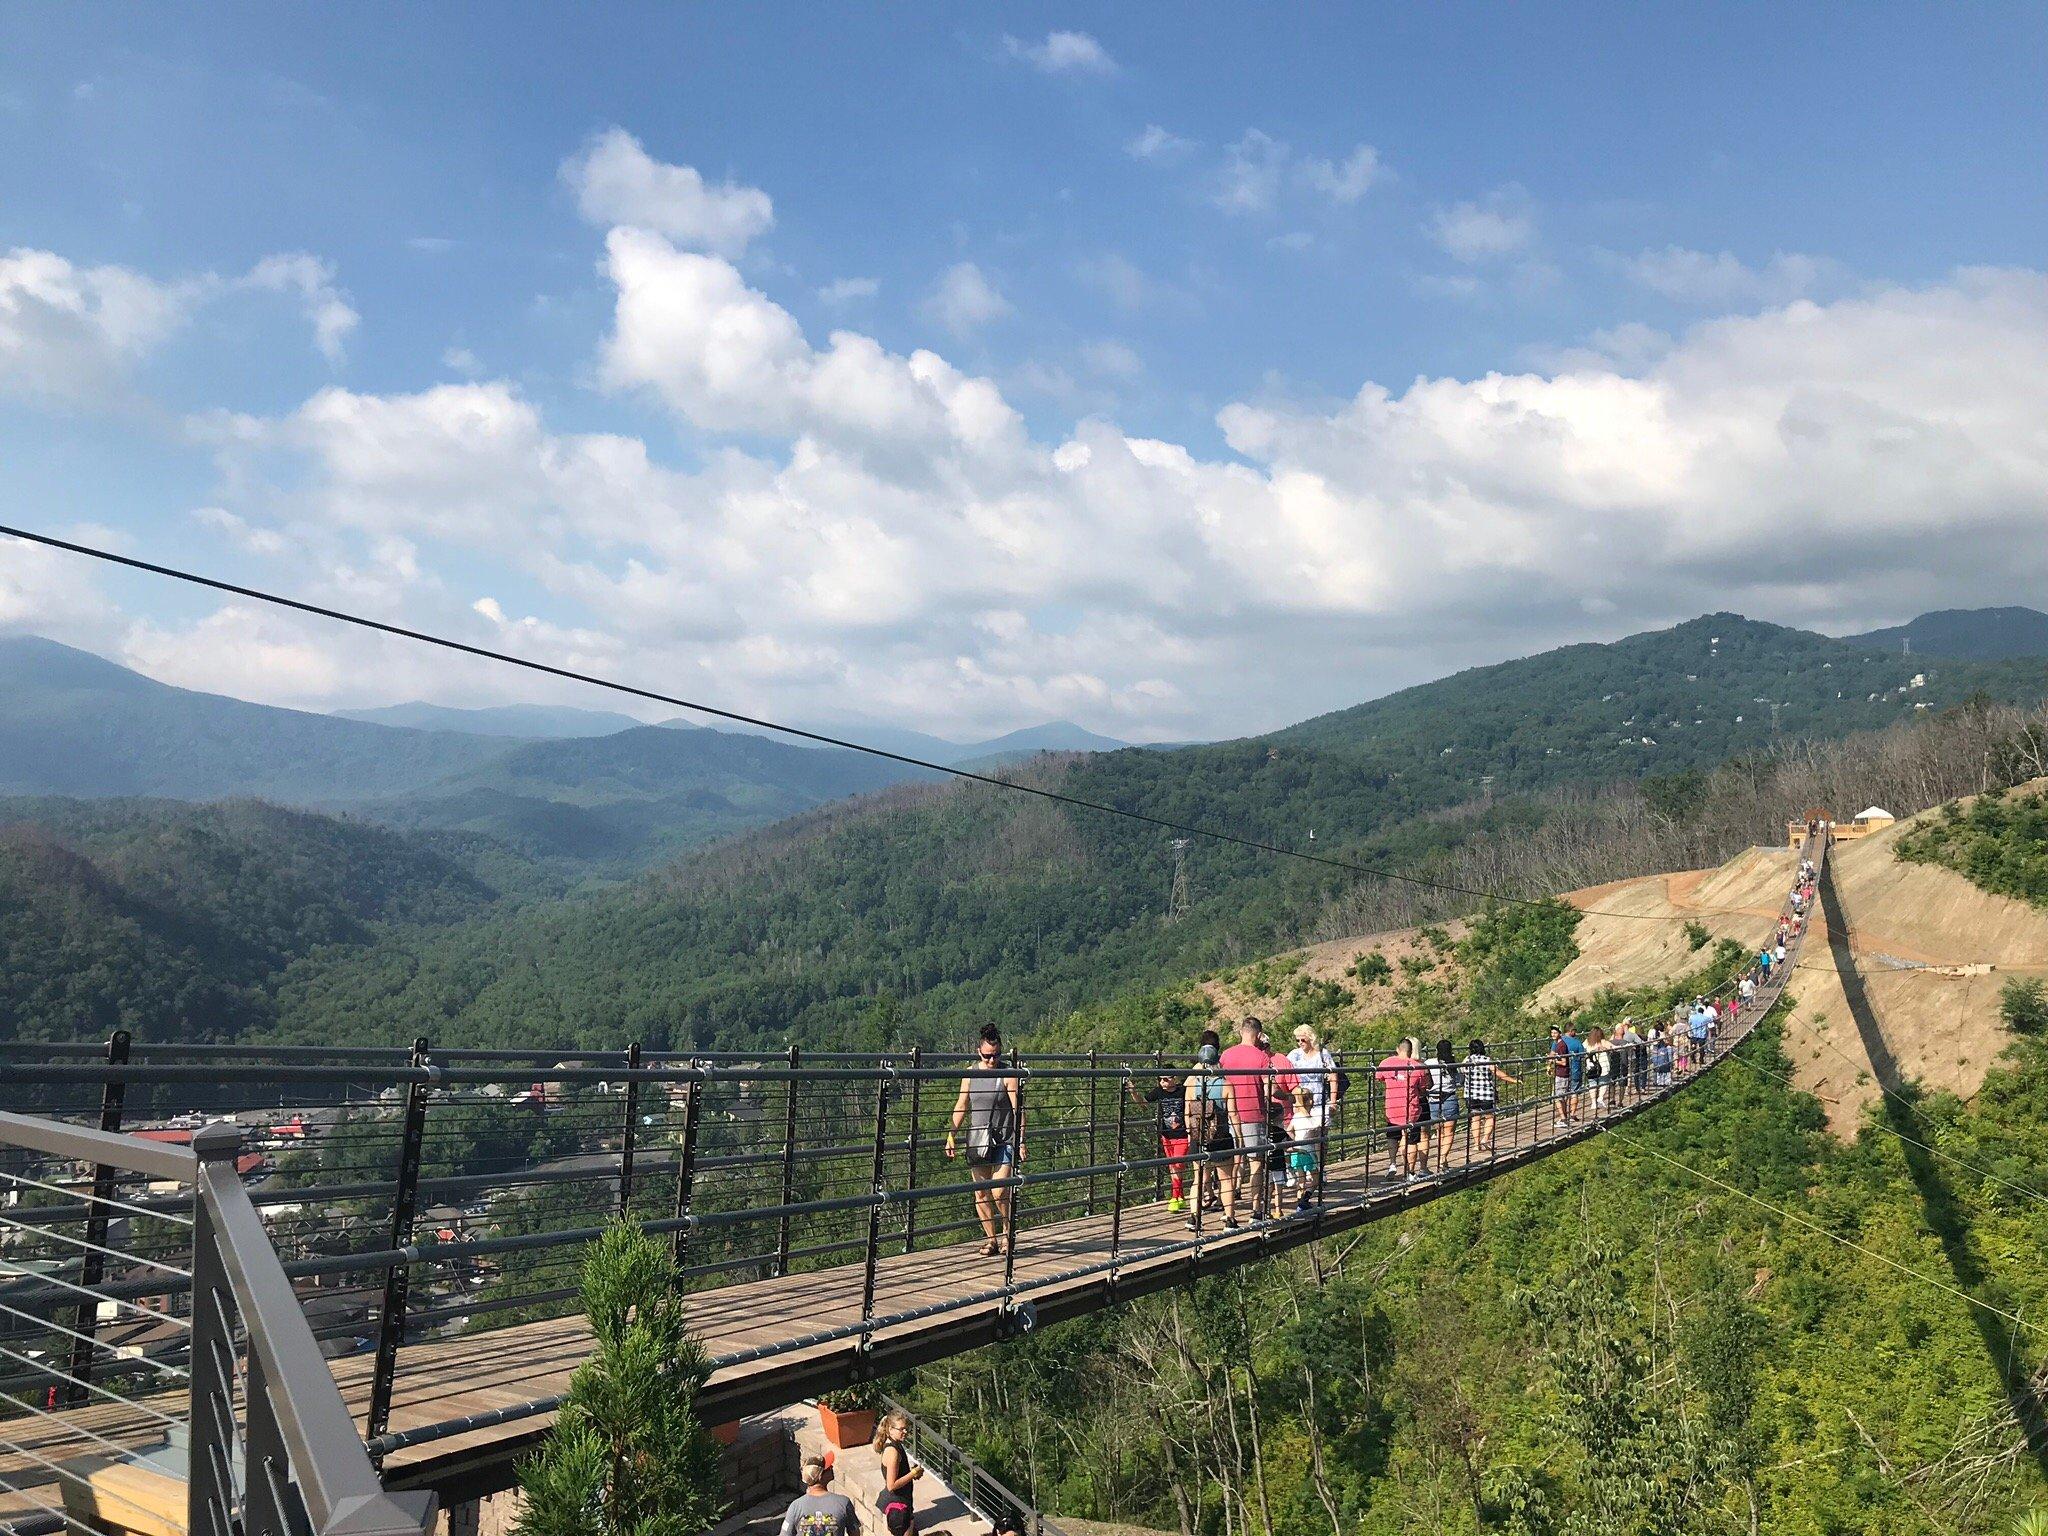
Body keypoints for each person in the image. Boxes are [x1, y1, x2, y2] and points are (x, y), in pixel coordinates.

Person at [945, 1025, 1024, 1256]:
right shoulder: (970, 1074)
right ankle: (991, 1240)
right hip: (978, 1141)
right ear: (979, 1052)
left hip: (1003, 1140)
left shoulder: (1008, 1074)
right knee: (980, 1192)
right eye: (988, 1056)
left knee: (999, 1192)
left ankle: (1008, 1233)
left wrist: (1021, 1140)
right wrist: (951, 1135)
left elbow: (1020, 1109)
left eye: (997, 1055)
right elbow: (961, 1105)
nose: (992, 1060)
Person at [1220, 1018, 1274, 1218]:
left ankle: (1228, 1211)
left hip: (1227, 1115)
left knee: (1230, 1162)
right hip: (1253, 1114)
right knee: (1256, 1162)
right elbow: (1270, 1089)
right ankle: (1256, 1210)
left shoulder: (1226, 1055)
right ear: (1259, 1035)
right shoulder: (1261, 1057)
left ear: (1240, 1032)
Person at [1183, 1032, 1239, 1229]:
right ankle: (1230, 1219)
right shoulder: (1226, 1085)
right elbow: (1233, 1115)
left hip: (1199, 1138)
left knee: (1198, 1179)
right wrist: (1239, 1138)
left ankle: (1193, 1217)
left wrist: (1193, 1135)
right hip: (1221, 1138)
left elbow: (1187, 1113)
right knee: (1226, 1179)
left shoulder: (1191, 1084)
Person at [1133, 1070, 1190, 1212]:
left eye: (1165, 1079)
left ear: (1174, 1078)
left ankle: (1175, 1198)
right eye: (1160, 1079)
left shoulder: (1184, 1090)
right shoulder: (1158, 1092)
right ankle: (1181, 1197)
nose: (1162, 1082)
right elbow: (1143, 1103)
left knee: (1177, 1165)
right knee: (1173, 1166)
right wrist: (1133, 1092)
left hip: (1182, 1134)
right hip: (1166, 1135)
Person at [1376, 1037, 1428, 1181]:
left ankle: (1392, 1163)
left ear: (1398, 1049)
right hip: (1410, 1110)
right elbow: (1423, 1089)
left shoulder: (1386, 1063)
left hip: (1392, 1108)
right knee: (1412, 1141)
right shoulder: (1418, 1067)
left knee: (1393, 1137)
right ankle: (1410, 1172)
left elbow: (1378, 1077)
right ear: (1411, 1051)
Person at [1461, 1038, 1517, 1154]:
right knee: (1489, 1117)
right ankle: (1485, 1139)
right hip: (1486, 1094)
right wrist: (1513, 1080)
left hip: (1470, 1094)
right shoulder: (1487, 1060)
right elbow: (1499, 1074)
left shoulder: (1466, 1060)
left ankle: (1476, 1144)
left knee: (1475, 1118)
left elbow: (1461, 1073)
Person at [873, 1410, 925, 1536]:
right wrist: (912, 1474)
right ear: (890, 1429)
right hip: (897, 1504)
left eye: (906, 1429)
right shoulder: (892, 1452)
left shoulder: (895, 1444)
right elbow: (892, 1485)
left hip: (898, 1501)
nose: (905, 1432)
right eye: (901, 1429)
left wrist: (910, 1472)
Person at [781, 1455, 859, 1536]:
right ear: (820, 1476)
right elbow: (855, 1533)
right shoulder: (843, 1503)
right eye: (828, 1468)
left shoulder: (796, 1507)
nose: (831, 1467)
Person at [1285, 1086, 1324, 1211]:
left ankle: (1299, 1203)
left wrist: (1295, 1138)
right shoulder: (1311, 1120)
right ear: (1309, 1102)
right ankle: (1305, 1199)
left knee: (1301, 1179)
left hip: (1296, 1151)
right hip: (1308, 1152)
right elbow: (1315, 1133)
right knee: (1316, 1179)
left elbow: (1289, 1129)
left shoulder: (1296, 1117)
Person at [1424, 1037, 1460, 1169]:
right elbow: (1459, 1081)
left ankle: (1441, 1157)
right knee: (1449, 1132)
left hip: (1433, 1100)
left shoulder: (1428, 1062)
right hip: (1449, 1098)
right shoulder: (1452, 1064)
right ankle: (1443, 1157)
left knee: (1439, 1132)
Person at [1548, 1025, 1573, 1124]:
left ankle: (1563, 1119)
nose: (1553, 1035)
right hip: (1562, 1074)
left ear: (1560, 1033)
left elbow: (1564, 1062)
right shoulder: (1558, 1044)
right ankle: (1564, 1117)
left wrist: (1554, 1061)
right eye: (1552, 1033)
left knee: (1557, 1097)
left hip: (1562, 1074)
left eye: (1555, 1033)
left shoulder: (1561, 1046)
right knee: (1561, 1097)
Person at [1563, 1027, 1588, 1119]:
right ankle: (1572, 1113)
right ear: (1571, 1031)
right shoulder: (1577, 1042)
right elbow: (1583, 1055)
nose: (1576, 1033)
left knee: (1563, 1093)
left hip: (1562, 1072)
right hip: (1575, 1070)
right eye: (1575, 1031)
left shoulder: (1558, 1041)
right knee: (1574, 1092)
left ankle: (1563, 1115)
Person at [1585, 1027, 1611, 1115]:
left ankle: (1593, 1103)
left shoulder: (1586, 1042)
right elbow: (1613, 1047)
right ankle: (1600, 1098)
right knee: (1603, 1082)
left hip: (1591, 1066)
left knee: (1592, 1084)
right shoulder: (1603, 1042)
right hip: (1603, 1065)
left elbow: (1583, 1051)